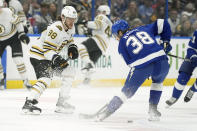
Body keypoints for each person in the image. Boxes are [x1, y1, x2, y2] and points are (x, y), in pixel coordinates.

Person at [81, 19, 172, 121]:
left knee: (125, 92)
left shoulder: (121, 45)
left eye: (116, 35)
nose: (116, 38)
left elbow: (132, 64)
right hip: (163, 62)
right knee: (158, 82)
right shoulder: (143, 29)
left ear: (120, 32)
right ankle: (153, 111)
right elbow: (162, 22)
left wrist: (133, 81)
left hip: (143, 66)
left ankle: (105, 113)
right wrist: (165, 42)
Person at [22, 6, 79, 114]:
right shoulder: (55, 28)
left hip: (49, 56)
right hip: (38, 55)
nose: (72, 21)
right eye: (69, 18)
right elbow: (47, 50)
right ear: (63, 17)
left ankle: (61, 103)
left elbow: (69, 40)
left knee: (70, 71)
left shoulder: (71, 27)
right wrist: (56, 58)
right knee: (46, 77)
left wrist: (72, 47)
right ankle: (28, 103)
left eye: (73, 19)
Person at [78, 5, 112, 85]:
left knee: (81, 47)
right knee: (90, 66)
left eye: (99, 11)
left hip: (98, 40)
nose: (97, 13)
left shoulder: (101, 16)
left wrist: (86, 23)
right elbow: (101, 29)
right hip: (103, 46)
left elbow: (97, 25)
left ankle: (88, 64)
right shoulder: (109, 22)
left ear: (104, 12)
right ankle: (86, 83)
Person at [0, 1, 30, 90]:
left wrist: (21, 34)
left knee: (18, 59)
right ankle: (1, 79)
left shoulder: (8, 12)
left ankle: (25, 80)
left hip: (13, 37)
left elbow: (18, 22)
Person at [166, 30, 197, 107]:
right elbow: (191, 48)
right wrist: (193, 56)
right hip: (194, 56)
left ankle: (192, 90)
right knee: (183, 75)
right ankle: (174, 97)